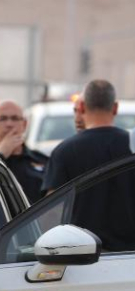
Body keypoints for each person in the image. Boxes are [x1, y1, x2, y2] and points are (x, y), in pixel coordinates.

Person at [43, 79, 135, 250]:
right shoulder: (132, 146)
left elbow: (51, 212)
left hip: (80, 256)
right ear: (115, 108)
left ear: (82, 107)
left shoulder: (64, 151)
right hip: (130, 257)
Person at [0, 100, 48, 203]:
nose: (9, 124)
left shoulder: (43, 161)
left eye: (15, 118)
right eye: (2, 118)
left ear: (24, 125)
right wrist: (0, 156)